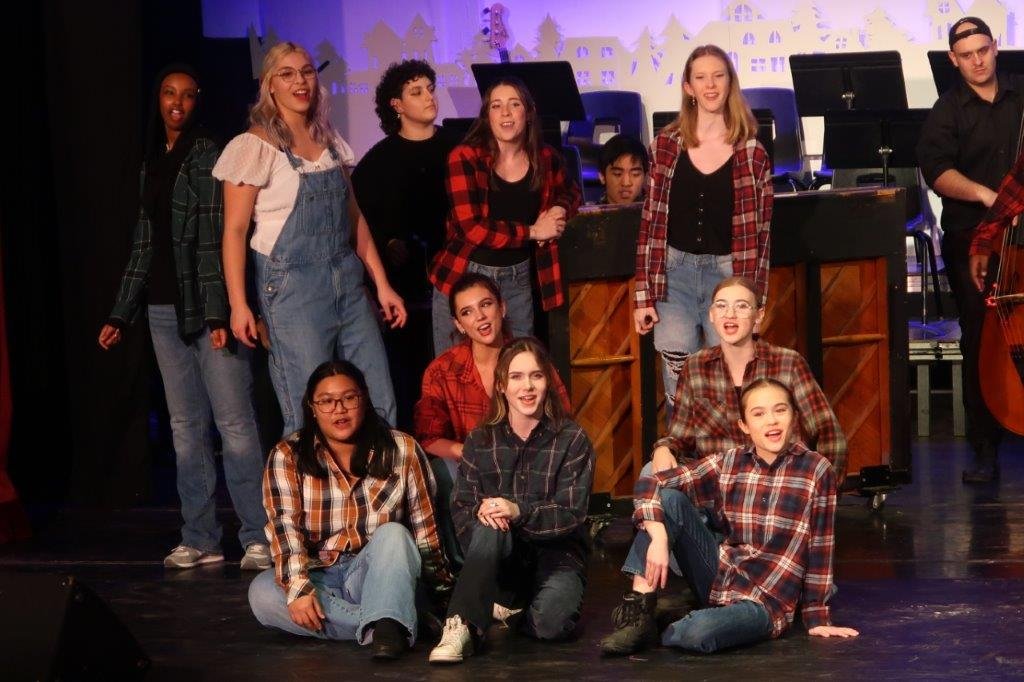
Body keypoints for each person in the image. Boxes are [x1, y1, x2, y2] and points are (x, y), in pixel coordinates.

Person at [98, 64, 269, 571]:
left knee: (235, 424)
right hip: (161, 312)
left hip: (206, 310)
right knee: (184, 427)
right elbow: (145, 244)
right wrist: (120, 314)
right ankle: (200, 537)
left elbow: (217, 238)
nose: (177, 102)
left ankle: (257, 536)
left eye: (187, 95)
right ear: (159, 100)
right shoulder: (153, 162)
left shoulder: (207, 153)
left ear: (199, 101)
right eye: (169, 94)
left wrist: (219, 313)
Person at [216, 41, 405, 436]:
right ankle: (310, 497)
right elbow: (234, 232)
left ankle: (375, 495)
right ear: (271, 86)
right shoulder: (255, 145)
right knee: (308, 409)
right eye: (287, 73)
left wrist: (382, 285)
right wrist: (238, 304)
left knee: (377, 399)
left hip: (347, 282)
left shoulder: (331, 143)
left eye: (306, 71)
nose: (300, 81)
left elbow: (354, 220)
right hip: (292, 290)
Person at [600, 378, 859, 655]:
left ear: (794, 416)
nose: (771, 420)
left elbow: (820, 547)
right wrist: (659, 537)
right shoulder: (731, 461)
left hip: (766, 602)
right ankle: (639, 612)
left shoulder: (816, 470)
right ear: (744, 426)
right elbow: (652, 483)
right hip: (720, 578)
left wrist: (817, 616)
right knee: (670, 500)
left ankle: (679, 619)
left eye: (780, 410)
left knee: (697, 633)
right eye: (758, 414)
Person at [248, 360, 452, 660]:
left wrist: (443, 593)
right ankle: (395, 623)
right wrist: (299, 590)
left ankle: (390, 616)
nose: (339, 410)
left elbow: (426, 529)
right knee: (262, 593)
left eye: (348, 398)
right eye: (327, 402)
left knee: (394, 534)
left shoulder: (402, 449)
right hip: (319, 574)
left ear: (364, 399)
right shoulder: (287, 455)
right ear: (312, 407)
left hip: (378, 573)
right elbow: (284, 528)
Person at [428, 338, 595, 663]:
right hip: (500, 556)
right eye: (517, 377)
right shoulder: (481, 439)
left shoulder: (572, 439)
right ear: (502, 385)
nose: (528, 386)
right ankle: (460, 623)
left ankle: (511, 611)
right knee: (488, 522)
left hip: (556, 553)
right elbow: (461, 509)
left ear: (547, 381)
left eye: (536, 376)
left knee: (552, 623)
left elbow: (571, 514)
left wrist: (519, 511)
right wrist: (485, 514)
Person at [634, 45, 772, 417]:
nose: (710, 85)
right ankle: (685, 464)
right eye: (701, 77)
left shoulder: (751, 150)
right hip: (674, 275)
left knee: (731, 379)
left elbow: (761, 235)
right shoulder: (665, 146)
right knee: (679, 385)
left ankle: (732, 466)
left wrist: (756, 300)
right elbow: (650, 223)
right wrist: (643, 294)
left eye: (718, 76)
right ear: (688, 87)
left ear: (730, 83)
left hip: (727, 275)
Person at [918, 17, 1021, 483]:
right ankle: (985, 449)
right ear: (953, 61)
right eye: (967, 54)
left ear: (996, 49)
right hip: (972, 239)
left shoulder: (1021, 99)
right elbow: (936, 170)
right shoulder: (947, 111)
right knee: (980, 338)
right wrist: (985, 196)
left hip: (1023, 238)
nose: (978, 60)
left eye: (984, 50)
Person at [414, 273, 571, 568]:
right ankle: (470, 567)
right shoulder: (442, 370)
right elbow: (428, 437)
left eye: (486, 305)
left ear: (502, 307)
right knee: (442, 469)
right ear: (459, 324)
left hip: (526, 465)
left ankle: (534, 559)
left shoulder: (530, 358)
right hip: (471, 467)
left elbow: (561, 421)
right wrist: (468, 453)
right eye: (467, 312)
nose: (480, 317)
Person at [430, 76, 581, 355]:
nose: (506, 113)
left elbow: (572, 192)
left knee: (518, 367)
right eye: (496, 106)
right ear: (487, 115)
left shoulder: (544, 157)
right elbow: (472, 228)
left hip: (517, 277)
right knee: (457, 375)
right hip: (468, 274)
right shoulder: (464, 157)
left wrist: (559, 208)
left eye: (514, 104)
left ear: (528, 111)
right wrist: (534, 231)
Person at [649, 277, 847, 481]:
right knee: (652, 472)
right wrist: (664, 448)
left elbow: (830, 436)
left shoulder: (788, 363)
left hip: (778, 489)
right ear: (711, 314)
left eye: (741, 306)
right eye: (721, 306)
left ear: (758, 315)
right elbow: (680, 437)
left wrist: (822, 493)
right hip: (717, 492)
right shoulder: (695, 367)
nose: (730, 315)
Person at [352, 59, 458, 428]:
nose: (429, 97)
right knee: (411, 382)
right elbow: (359, 219)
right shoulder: (378, 162)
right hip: (406, 292)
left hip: (457, 280)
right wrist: (388, 242)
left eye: (430, 88)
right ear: (396, 104)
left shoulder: (457, 146)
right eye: (417, 91)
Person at [597, 133, 649, 205]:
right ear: (602, 176)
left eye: (635, 174)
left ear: (645, 177)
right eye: (617, 174)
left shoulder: (657, 214)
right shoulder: (589, 215)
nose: (626, 183)